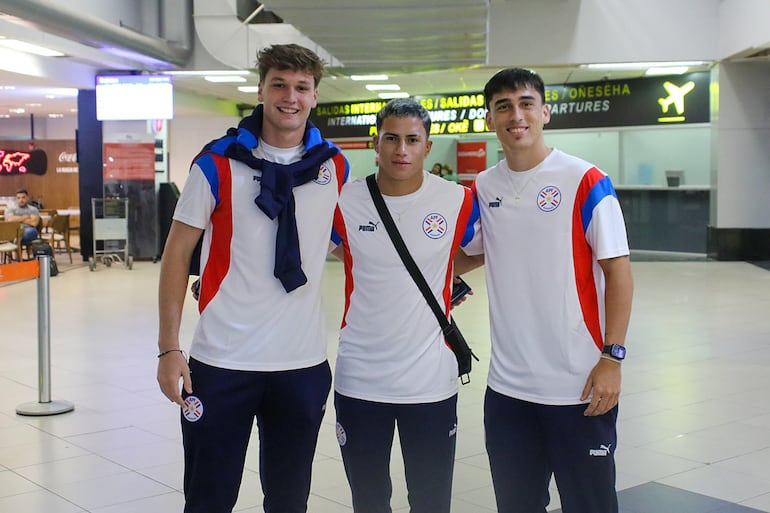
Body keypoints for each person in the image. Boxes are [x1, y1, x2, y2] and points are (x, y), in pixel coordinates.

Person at [156, 43, 349, 513]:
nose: (290, 96)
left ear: (315, 96)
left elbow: (350, 242)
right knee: (208, 497)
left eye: (301, 87)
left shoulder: (333, 165)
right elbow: (177, 255)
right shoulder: (216, 164)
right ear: (261, 89)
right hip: (222, 361)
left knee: (288, 499)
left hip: (300, 364)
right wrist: (169, 347)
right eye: (279, 84)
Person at [458, 68, 634, 513]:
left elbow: (618, 271)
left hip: (578, 386)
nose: (516, 115)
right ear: (490, 119)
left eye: (525, 103)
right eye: (503, 106)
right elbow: (476, 253)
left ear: (544, 112)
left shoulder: (587, 180)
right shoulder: (484, 185)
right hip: (507, 391)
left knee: (590, 504)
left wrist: (612, 358)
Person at [330, 99, 479, 513]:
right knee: (369, 500)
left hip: (429, 380)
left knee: (431, 501)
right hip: (360, 378)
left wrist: (445, 273)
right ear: (374, 143)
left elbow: (485, 249)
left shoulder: (457, 200)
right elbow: (306, 255)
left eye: (412, 140)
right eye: (391, 138)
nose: (401, 150)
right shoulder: (344, 201)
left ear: (427, 147)